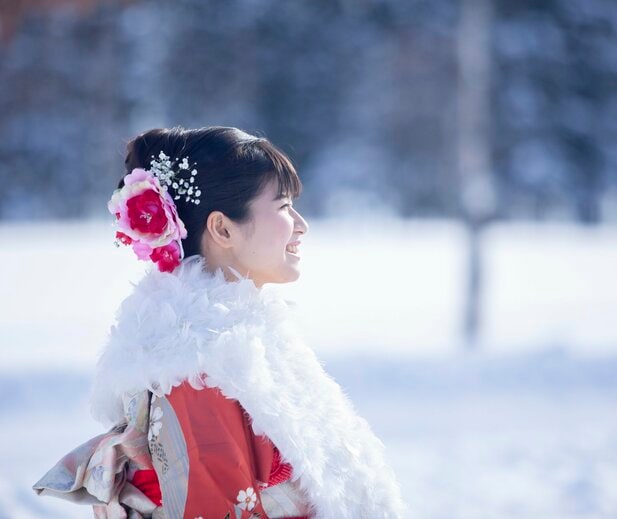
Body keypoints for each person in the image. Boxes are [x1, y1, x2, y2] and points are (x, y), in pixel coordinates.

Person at [32, 126, 405, 519]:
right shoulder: (196, 370)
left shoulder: (241, 343)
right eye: (282, 207)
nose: (300, 224)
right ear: (222, 228)